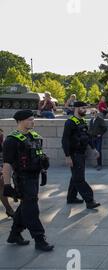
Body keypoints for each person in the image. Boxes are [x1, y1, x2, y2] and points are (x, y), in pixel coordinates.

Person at [2, 110, 53, 251]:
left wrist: (43, 168)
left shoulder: (34, 136)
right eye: (30, 119)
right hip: (23, 179)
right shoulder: (11, 140)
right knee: (31, 209)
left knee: (26, 206)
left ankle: (14, 234)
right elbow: (7, 164)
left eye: (33, 119)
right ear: (20, 121)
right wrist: (7, 185)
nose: (33, 121)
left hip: (34, 177)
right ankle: (39, 238)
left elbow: (37, 155)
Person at [62, 101, 101, 209]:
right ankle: (90, 200)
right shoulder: (70, 122)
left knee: (76, 176)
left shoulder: (82, 121)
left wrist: (94, 149)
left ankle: (71, 197)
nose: (85, 110)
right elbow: (65, 140)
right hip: (74, 154)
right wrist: (67, 156)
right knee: (79, 178)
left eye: (85, 108)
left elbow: (87, 136)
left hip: (81, 153)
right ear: (76, 108)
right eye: (83, 108)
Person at [0, 129, 15, 218]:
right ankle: (9, 209)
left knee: (3, 184)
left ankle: (9, 209)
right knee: (2, 184)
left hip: (3, 162)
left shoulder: (1, 133)